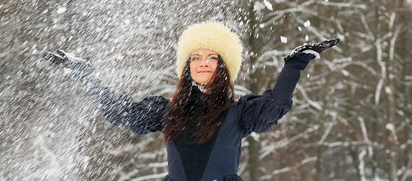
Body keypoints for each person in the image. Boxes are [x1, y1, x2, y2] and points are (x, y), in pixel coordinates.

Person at [43, 21, 340, 181]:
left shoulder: (239, 114)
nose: (203, 62)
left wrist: (295, 64)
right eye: (195, 57)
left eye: (213, 57)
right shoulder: (168, 112)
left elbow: (275, 104)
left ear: (224, 66)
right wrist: (84, 73)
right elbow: (118, 110)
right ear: (186, 66)